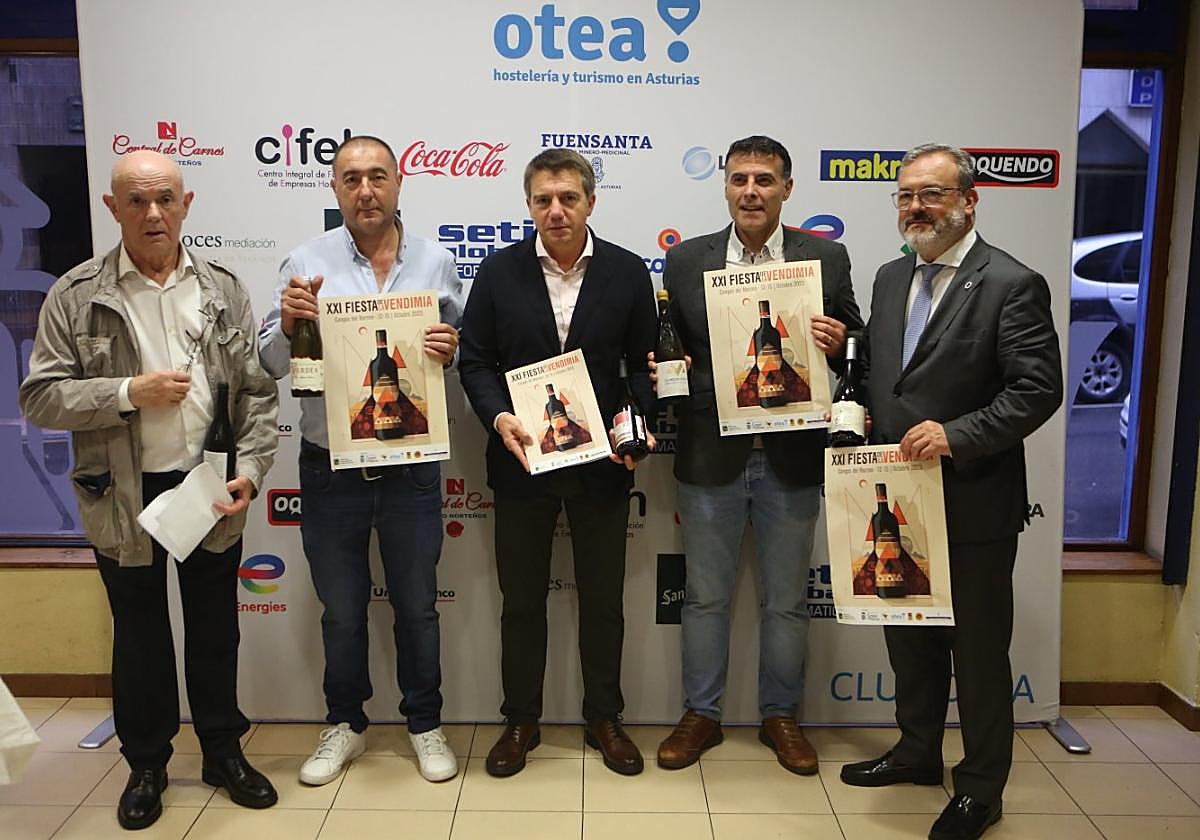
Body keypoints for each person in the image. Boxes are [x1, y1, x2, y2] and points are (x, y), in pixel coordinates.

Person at [19, 150, 280, 830]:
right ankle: (147, 764)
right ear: (113, 209)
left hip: (209, 485)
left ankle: (223, 751)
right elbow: (41, 397)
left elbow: (255, 393)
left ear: (186, 203)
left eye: (165, 198)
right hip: (122, 494)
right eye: (136, 201)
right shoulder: (76, 294)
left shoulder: (222, 287)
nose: (153, 213)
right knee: (138, 633)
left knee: (216, 627)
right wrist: (126, 393)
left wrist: (249, 471)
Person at [840, 143, 1063, 840]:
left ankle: (980, 787)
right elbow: (887, 371)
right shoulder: (888, 275)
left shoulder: (1010, 282)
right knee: (910, 640)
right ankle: (916, 751)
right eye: (905, 195)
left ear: (969, 200)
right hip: (894, 497)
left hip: (973, 498)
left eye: (931, 195)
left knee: (977, 650)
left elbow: (1038, 389)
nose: (916, 207)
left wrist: (958, 434)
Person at [257, 135, 464, 785]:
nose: (366, 190)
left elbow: (461, 362)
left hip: (412, 465)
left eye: (378, 177)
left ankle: (425, 724)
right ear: (336, 190)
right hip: (330, 465)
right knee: (342, 610)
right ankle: (345, 724)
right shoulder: (305, 260)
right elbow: (266, 365)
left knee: (418, 606)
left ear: (400, 184)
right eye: (352, 179)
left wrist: (449, 348)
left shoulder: (438, 261)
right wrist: (288, 326)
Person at [653, 135, 863, 775]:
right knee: (706, 597)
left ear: (787, 189)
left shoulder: (825, 256)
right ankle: (702, 715)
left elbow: (857, 337)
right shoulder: (687, 261)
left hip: (793, 456)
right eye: (740, 179)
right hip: (712, 452)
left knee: (787, 600)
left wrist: (838, 338)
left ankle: (781, 716)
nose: (751, 191)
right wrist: (672, 364)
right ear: (725, 186)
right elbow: (671, 347)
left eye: (765, 180)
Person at [458, 148, 657, 777]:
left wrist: (638, 426)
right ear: (529, 205)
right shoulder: (498, 272)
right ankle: (521, 721)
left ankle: (605, 718)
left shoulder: (627, 273)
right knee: (521, 602)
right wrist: (499, 417)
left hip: (602, 467)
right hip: (521, 461)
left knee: (603, 600)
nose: (556, 210)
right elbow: (475, 362)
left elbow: (645, 369)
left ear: (590, 202)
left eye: (568, 197)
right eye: (543, 199)